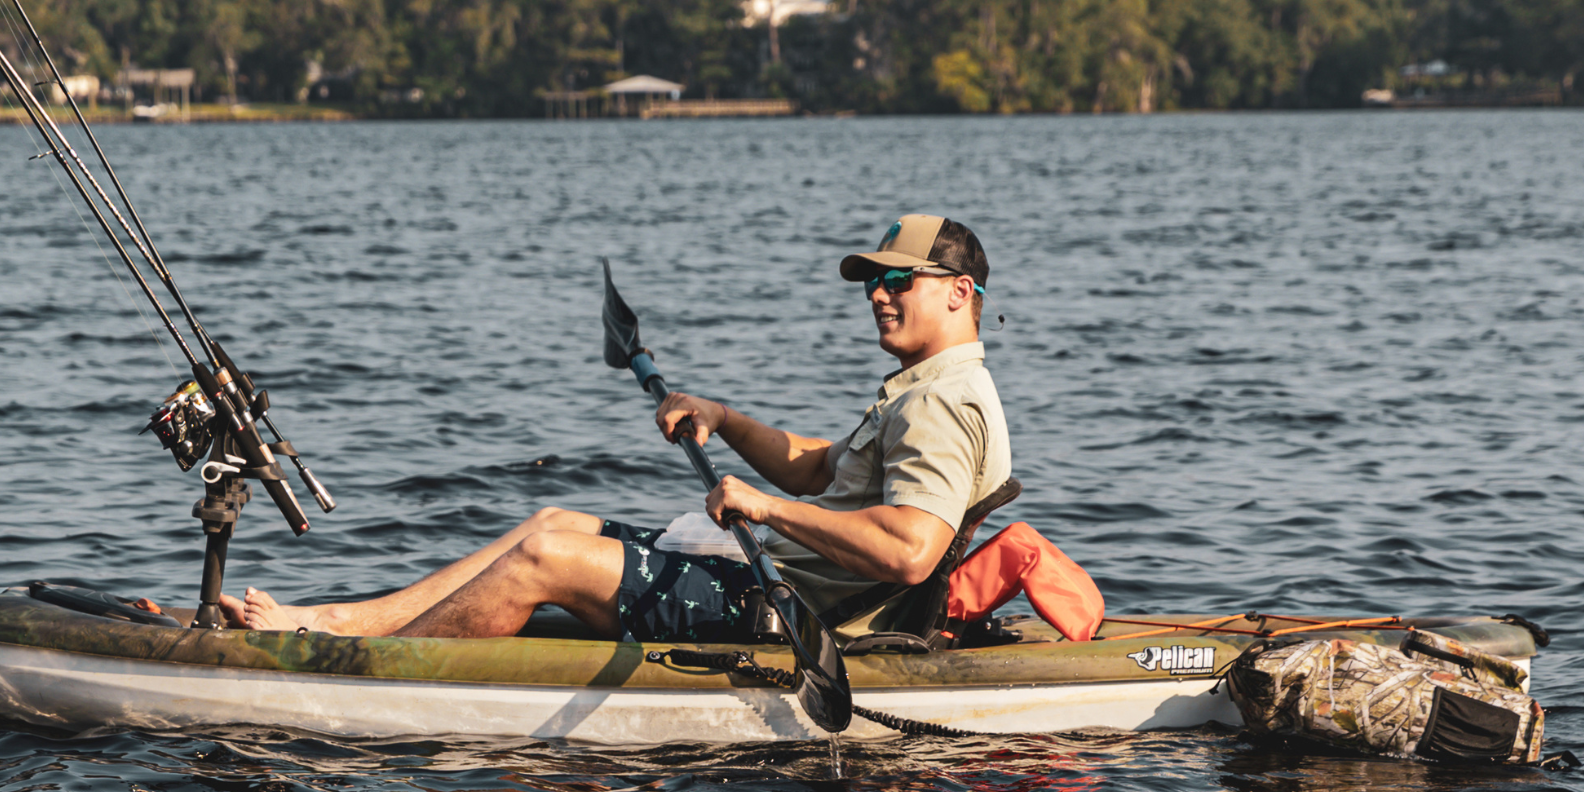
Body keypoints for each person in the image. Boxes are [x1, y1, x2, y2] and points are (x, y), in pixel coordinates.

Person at [232, 212, 1010, 643]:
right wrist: (725, 418)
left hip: (783, 606)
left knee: (544, 558)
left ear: (959, 293)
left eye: (899, 279)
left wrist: (764, 509)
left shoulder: (940, 404)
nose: (878, 294)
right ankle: (334, 621)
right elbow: (819, 470)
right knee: (553, 520)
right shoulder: (927, 389)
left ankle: (379, 672)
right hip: (773, 573)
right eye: (874, 281)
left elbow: (911, 552)